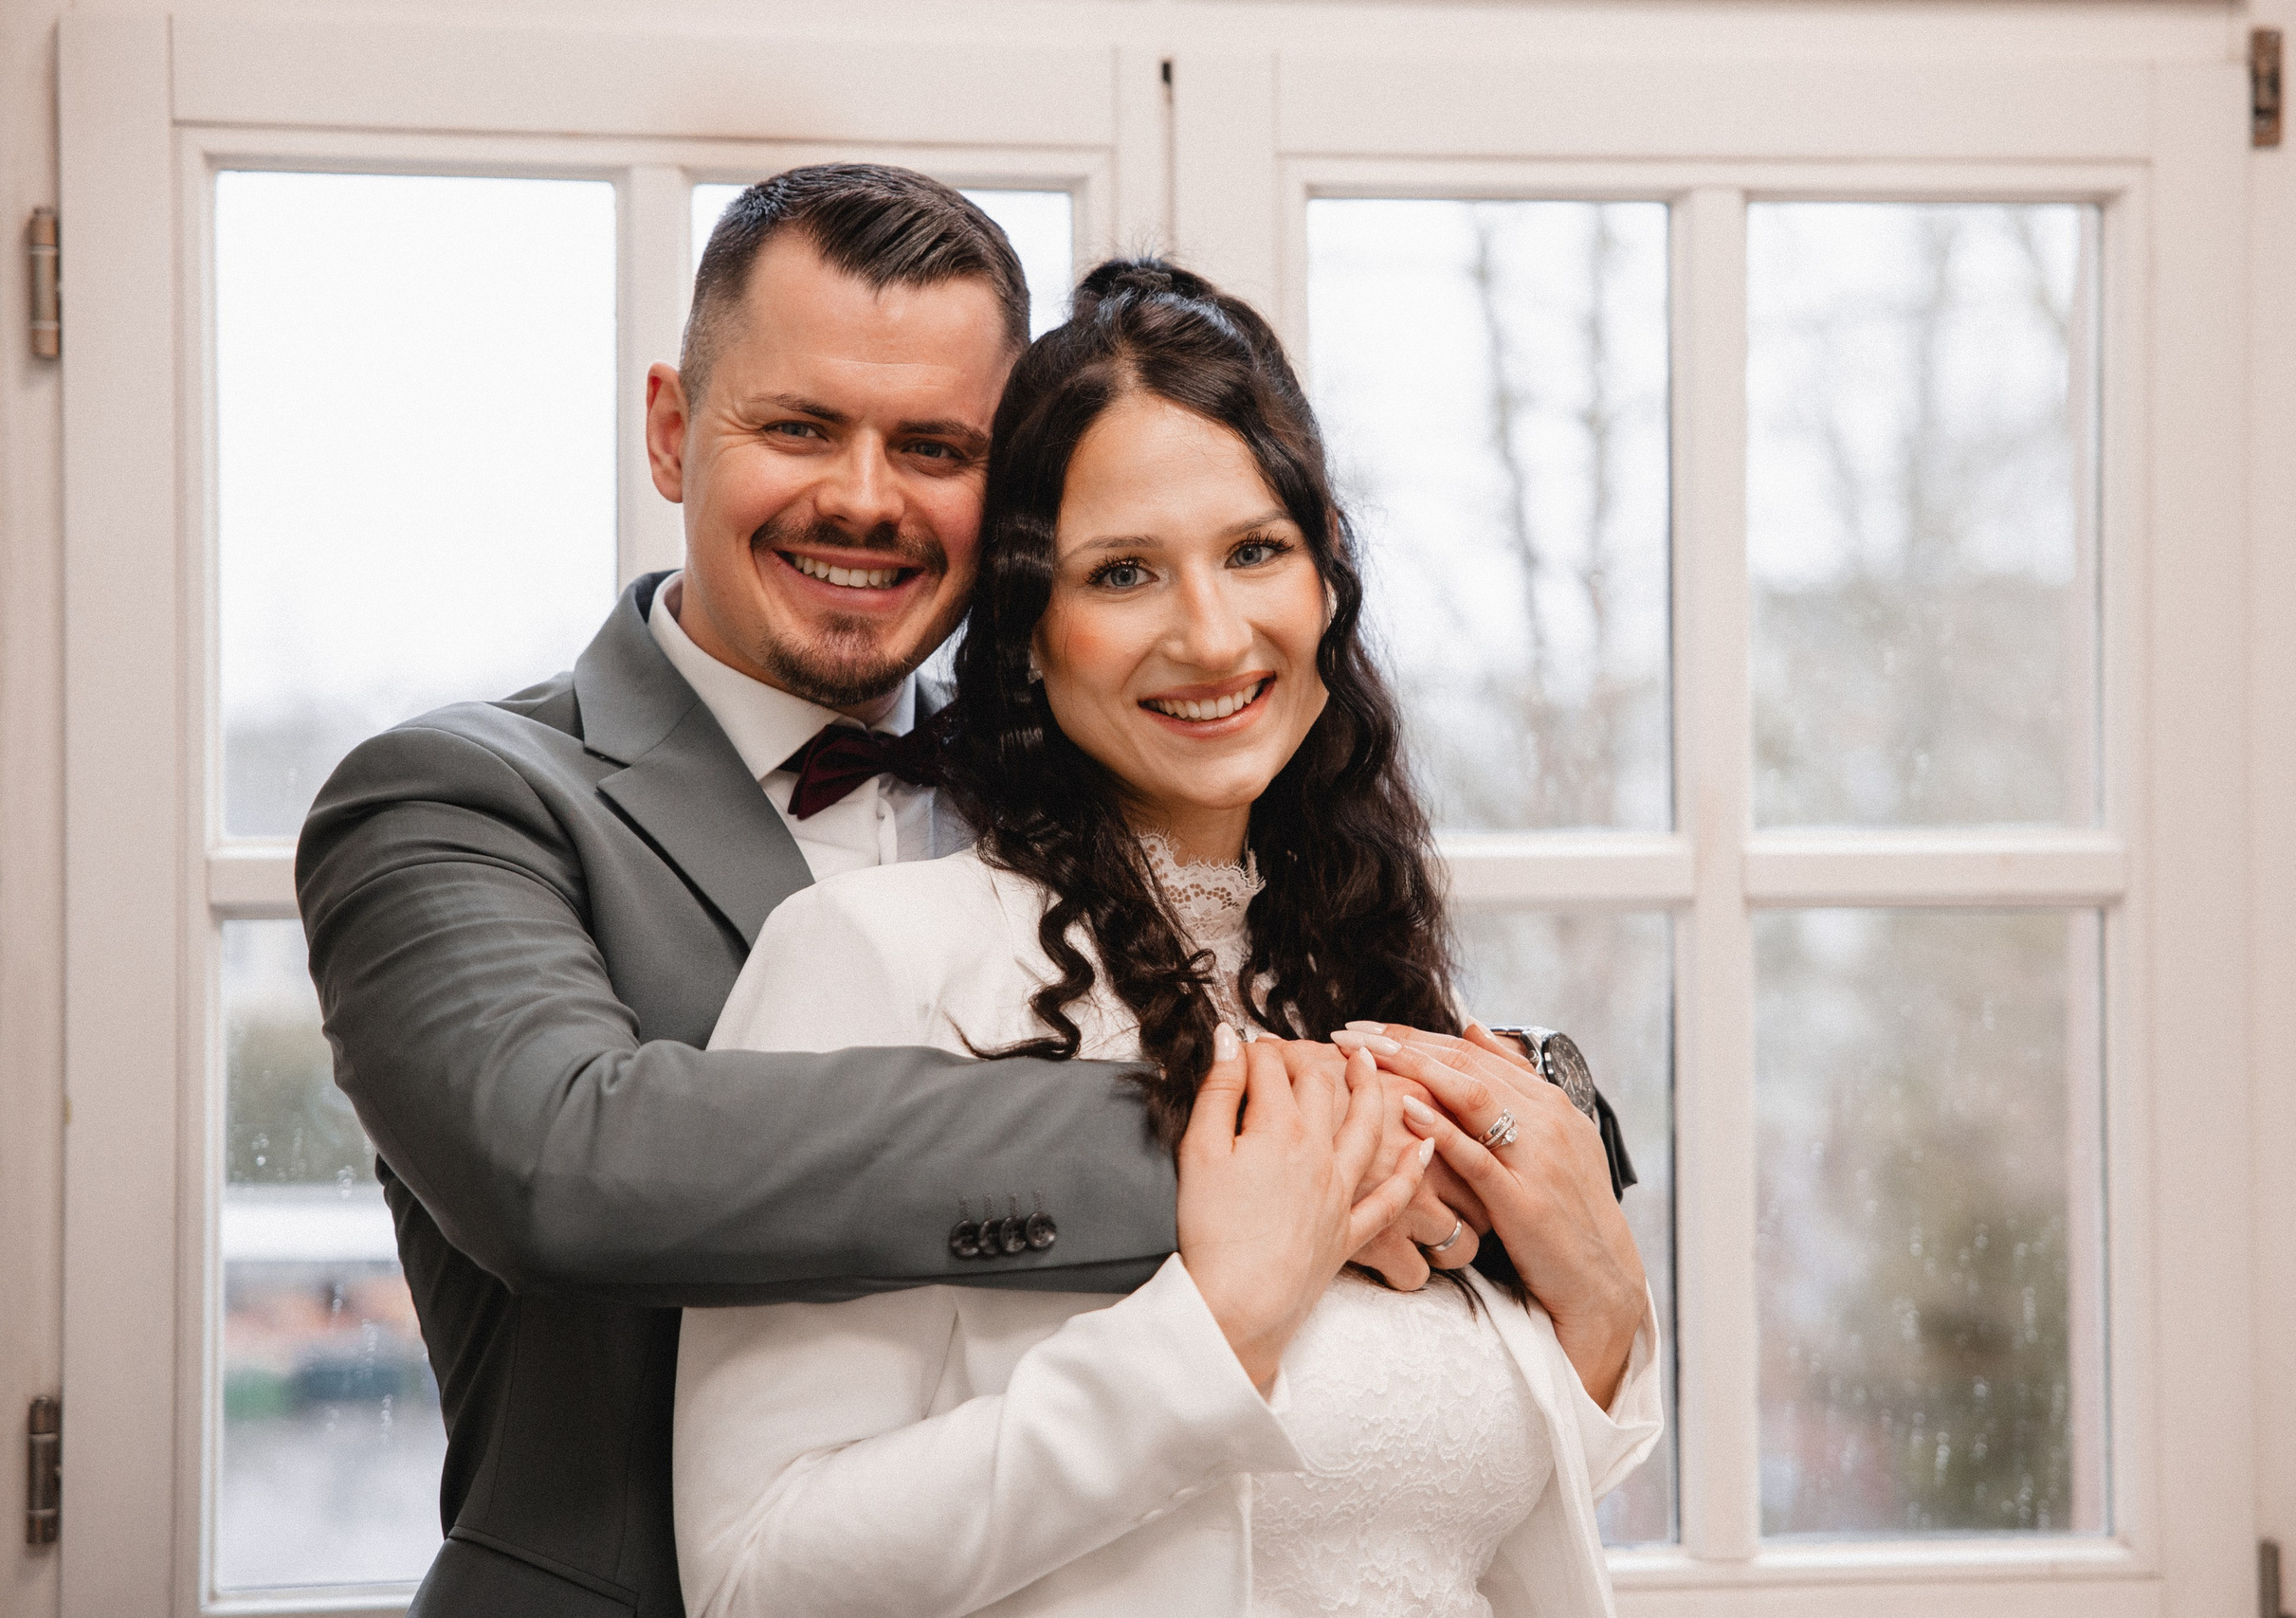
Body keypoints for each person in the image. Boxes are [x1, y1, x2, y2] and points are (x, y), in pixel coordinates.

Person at [299, 165, 1454, 1618]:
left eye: (932, 446)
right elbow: (564, 1161)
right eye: (796, 427)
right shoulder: (454, 794)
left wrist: (1511, 1112)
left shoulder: (1096, 762)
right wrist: (1247, 1142)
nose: (862, 497)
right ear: (670, 432)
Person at [672, 260, 1661, 1618]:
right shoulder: (872, 961)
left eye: (1256, 550)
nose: (1211, 634)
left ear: (1326, 580)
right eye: (1124, 572)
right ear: (1029, 632)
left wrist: (1603, 1311)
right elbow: (757, 1576)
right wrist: (1215, 1327)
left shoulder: (1361, 979)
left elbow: (1425, 1510)